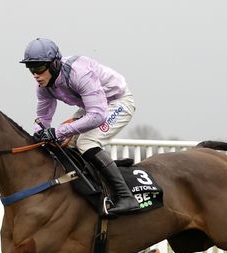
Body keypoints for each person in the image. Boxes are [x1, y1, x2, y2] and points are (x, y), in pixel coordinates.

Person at [21, 37, 140, 215]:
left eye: (38, 68)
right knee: (64, 144)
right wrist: (39, 134)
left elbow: (98, 115)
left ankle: (126, 197)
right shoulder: (43, 86)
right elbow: (43, 118)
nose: (35, 74)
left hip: (117, 102)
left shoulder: (79, 74)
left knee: (86, 142)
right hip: (92, 107)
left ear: (54, 64)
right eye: (31, 69)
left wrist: (58, 131)